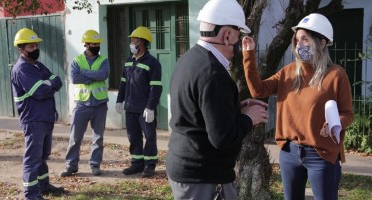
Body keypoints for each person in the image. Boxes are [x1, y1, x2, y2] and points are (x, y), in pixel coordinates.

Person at [243, 13, 354, 200]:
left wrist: (335, 124)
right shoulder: (288, 72)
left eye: (305, 39)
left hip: (321, 154)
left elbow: (347, 114)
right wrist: (248, 55)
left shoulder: (336, 75)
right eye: (297, 39)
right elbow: (258, 90)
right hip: (289, 152)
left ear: (322, 42)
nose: (298, 44)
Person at [166, 0, 269, 199]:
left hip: (187, 168)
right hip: (204, 178)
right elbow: (223, 138)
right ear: (228, 35)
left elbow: (199, 111)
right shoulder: (213, 73)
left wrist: (234, 108)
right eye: (239, 35)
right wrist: (249, 119)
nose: (239, 43)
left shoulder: (189, 59)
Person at [11, 28, 65, 200]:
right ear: (21, 49)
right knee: (32, 159)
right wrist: (48, 83)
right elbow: (40, 92)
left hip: (45, 117)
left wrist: (48, 83)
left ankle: (44, 186)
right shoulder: (22, 69)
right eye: (31, 46)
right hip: (33, 119)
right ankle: (31, 194)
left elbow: (57, 80)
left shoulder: (37, 65)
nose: (35, 49)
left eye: (36, 45)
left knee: (42, 156)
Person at [60, 29, 110, 177]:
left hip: (100, 104)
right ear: (87, 44)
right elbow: (75, 79)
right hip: (81, 104)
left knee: (98, 137)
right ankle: (71, 166)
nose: (97, 46)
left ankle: (95, 165)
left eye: (98, 43)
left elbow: (103, 75)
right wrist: (94, 77)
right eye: (94, 43)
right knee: (75, 137)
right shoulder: (77, 61)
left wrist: (85, 73)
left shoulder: (103, 60)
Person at [116, 26, 162, 178]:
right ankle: (137, 164)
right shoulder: (129, 61)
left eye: (133, 41)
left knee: (149, 137)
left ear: (141, 43)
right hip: (130, 107)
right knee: (133, 136)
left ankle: (149, 165)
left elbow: (155, 88)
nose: (131, 43)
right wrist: (119, 100)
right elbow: (123, 82)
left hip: (144, 109)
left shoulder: (153, 63)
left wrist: (150, 107)